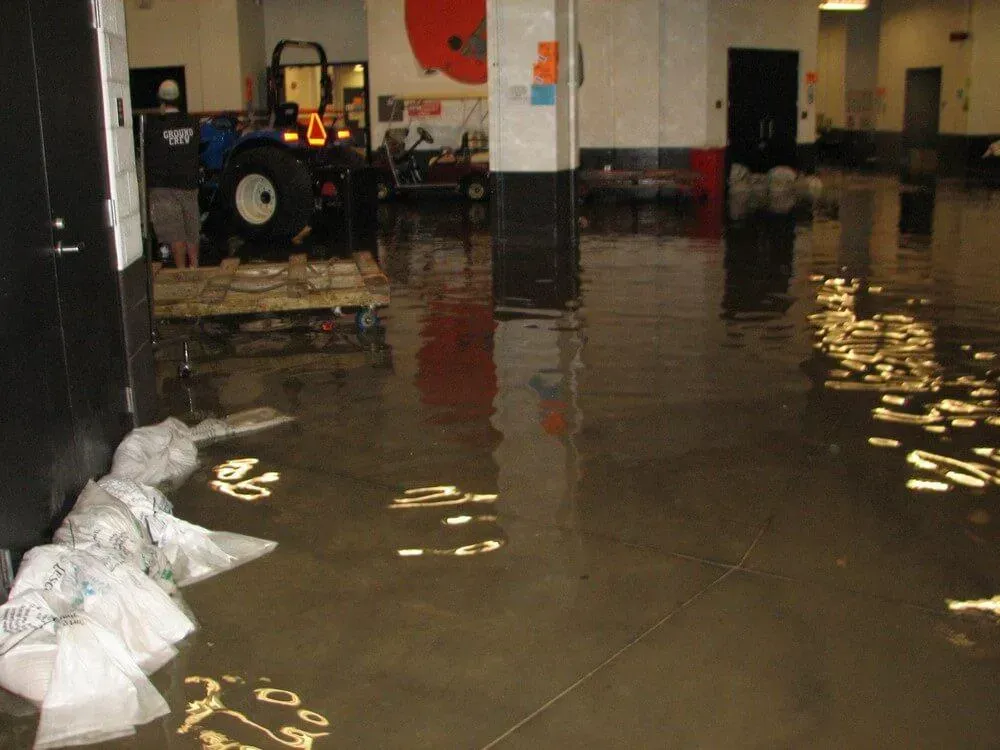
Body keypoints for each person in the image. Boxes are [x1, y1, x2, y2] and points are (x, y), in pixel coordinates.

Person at [144, 79, 200, 268]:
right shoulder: (192, 122)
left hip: (162, 187)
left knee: (176, 234)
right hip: (189, 184)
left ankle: (182, 273)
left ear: (161, 100)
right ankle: (195, 268)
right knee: (191, 231)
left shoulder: (151, 125)